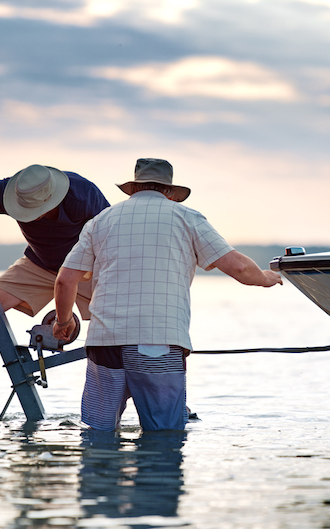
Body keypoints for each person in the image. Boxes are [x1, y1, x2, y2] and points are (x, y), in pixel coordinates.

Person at [52, 158, 282, 431]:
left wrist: (63, 322)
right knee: (164, 438)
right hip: (158, 342)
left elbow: (65, 281)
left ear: (133, 189)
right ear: (170, 192)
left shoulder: (100, 221)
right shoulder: (187, 218)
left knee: (97, 434)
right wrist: (266, 278)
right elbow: (240, 268)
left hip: (105, 344)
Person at [0, 164, 110, 419]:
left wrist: (69, 306)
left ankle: (158, 400)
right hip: (39, 264)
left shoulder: (83, 195)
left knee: (123, 318)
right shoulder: (5, 191)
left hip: (86, 268)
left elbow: (111, 239)